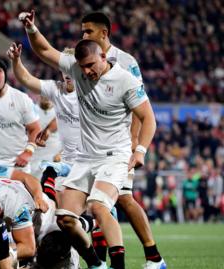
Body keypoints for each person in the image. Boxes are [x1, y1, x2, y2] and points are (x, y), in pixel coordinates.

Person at [22, 13, 157, 268]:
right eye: (82, 67)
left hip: (115, 156)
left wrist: (139, 149)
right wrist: (31, 28)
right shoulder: (77, 69)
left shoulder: (125, 79)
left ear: (104, 57)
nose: (87, 72)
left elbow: (148, 117)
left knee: (98, 206)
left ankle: (124, 264)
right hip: (86, 157)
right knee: (65, 218)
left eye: (91, 65)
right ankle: (96, 264)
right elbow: (44, 50)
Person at [79, 12, 166, 269]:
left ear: (104, 33)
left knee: (120, 199)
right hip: (92, 145)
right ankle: (114, 260)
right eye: (82, 31)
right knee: (105, 202)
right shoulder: (83, 57)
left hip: (118, 145)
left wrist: (133, 142)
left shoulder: (126, 62)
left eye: (88, 32)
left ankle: (152, 257)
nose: (83, 35)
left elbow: (140, 105)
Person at [7, 43, 80, 203]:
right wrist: (16, 61)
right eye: (64, 68)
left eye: (71, 68)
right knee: (60, 213)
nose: (67, 73)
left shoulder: (91, 93)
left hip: (85, 160)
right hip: (52, 162)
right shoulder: (56, 90)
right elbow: (26, 79)